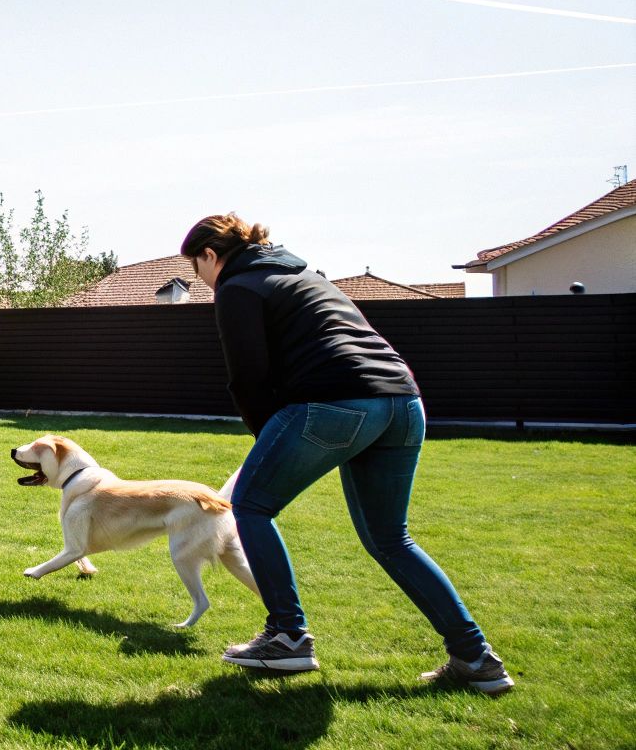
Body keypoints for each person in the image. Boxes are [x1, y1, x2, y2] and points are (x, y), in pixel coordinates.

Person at [181, 213, 512, 695]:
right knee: (391, 538)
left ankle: (288, 636)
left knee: (250, 506)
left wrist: (266, 437)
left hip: (336, 401)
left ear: (210, 255)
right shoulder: (305, 275)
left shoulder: (237, 286)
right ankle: (477, 658)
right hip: (404, 402)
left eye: (198, 270)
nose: (204, 282)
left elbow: (247, 377)